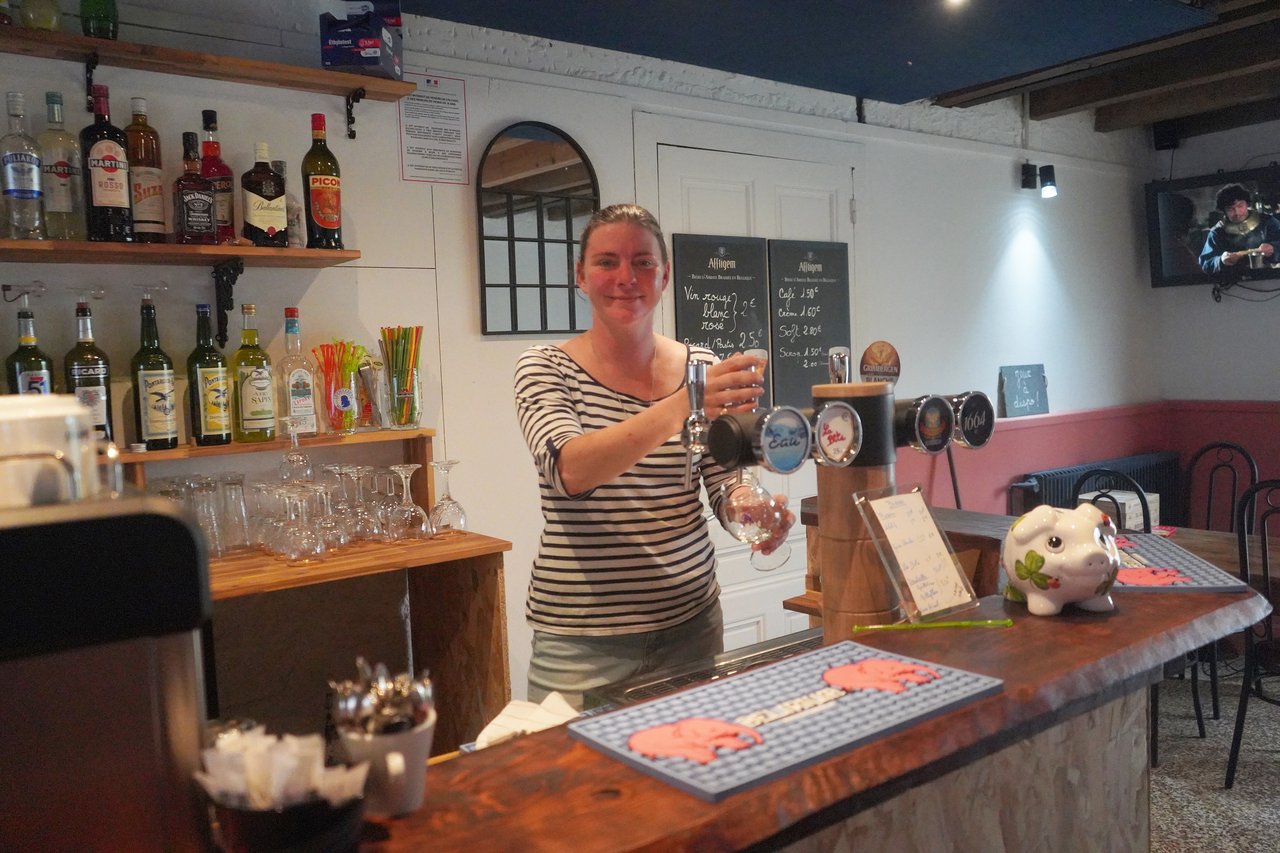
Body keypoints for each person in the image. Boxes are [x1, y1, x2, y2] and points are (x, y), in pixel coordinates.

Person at [513, 203, 793, 709]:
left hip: (692, 626)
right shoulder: (545, 368)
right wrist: (686, 402)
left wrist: (751, 511)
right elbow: (570, 470)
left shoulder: (700, 366)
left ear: (664, 276)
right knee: (569, 762)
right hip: (581, 642)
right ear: (581, 276)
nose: (626, 277)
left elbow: (723, 481)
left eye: (643, 262)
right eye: (607, 262)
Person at [1198, 183, 1280, 276]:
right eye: (1230, 209)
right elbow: (1205, 265)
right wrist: (1220, 260)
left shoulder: (1267, 222)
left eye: (1240, 206)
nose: (1237, 213)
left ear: (1247, 204)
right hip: (1234, 281)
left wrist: (1274, 247)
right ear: (1224, 211)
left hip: (1270, 277)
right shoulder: (1217, 232)